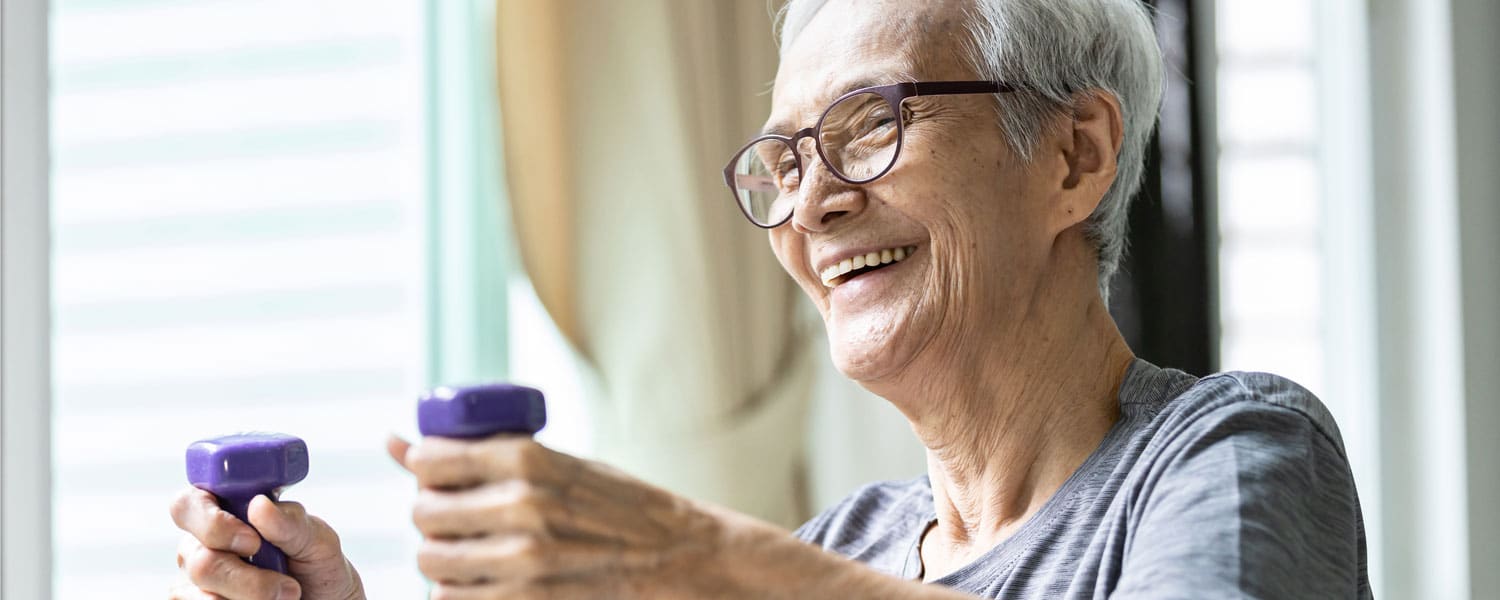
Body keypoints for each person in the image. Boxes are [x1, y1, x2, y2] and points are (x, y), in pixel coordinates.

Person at [169, 0, 1371, 597]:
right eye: (783, 160)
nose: (809, 207)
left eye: (868, 126)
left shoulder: (1231, 454)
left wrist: (700, 556)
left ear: (1074, 156)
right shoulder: (842, 550)